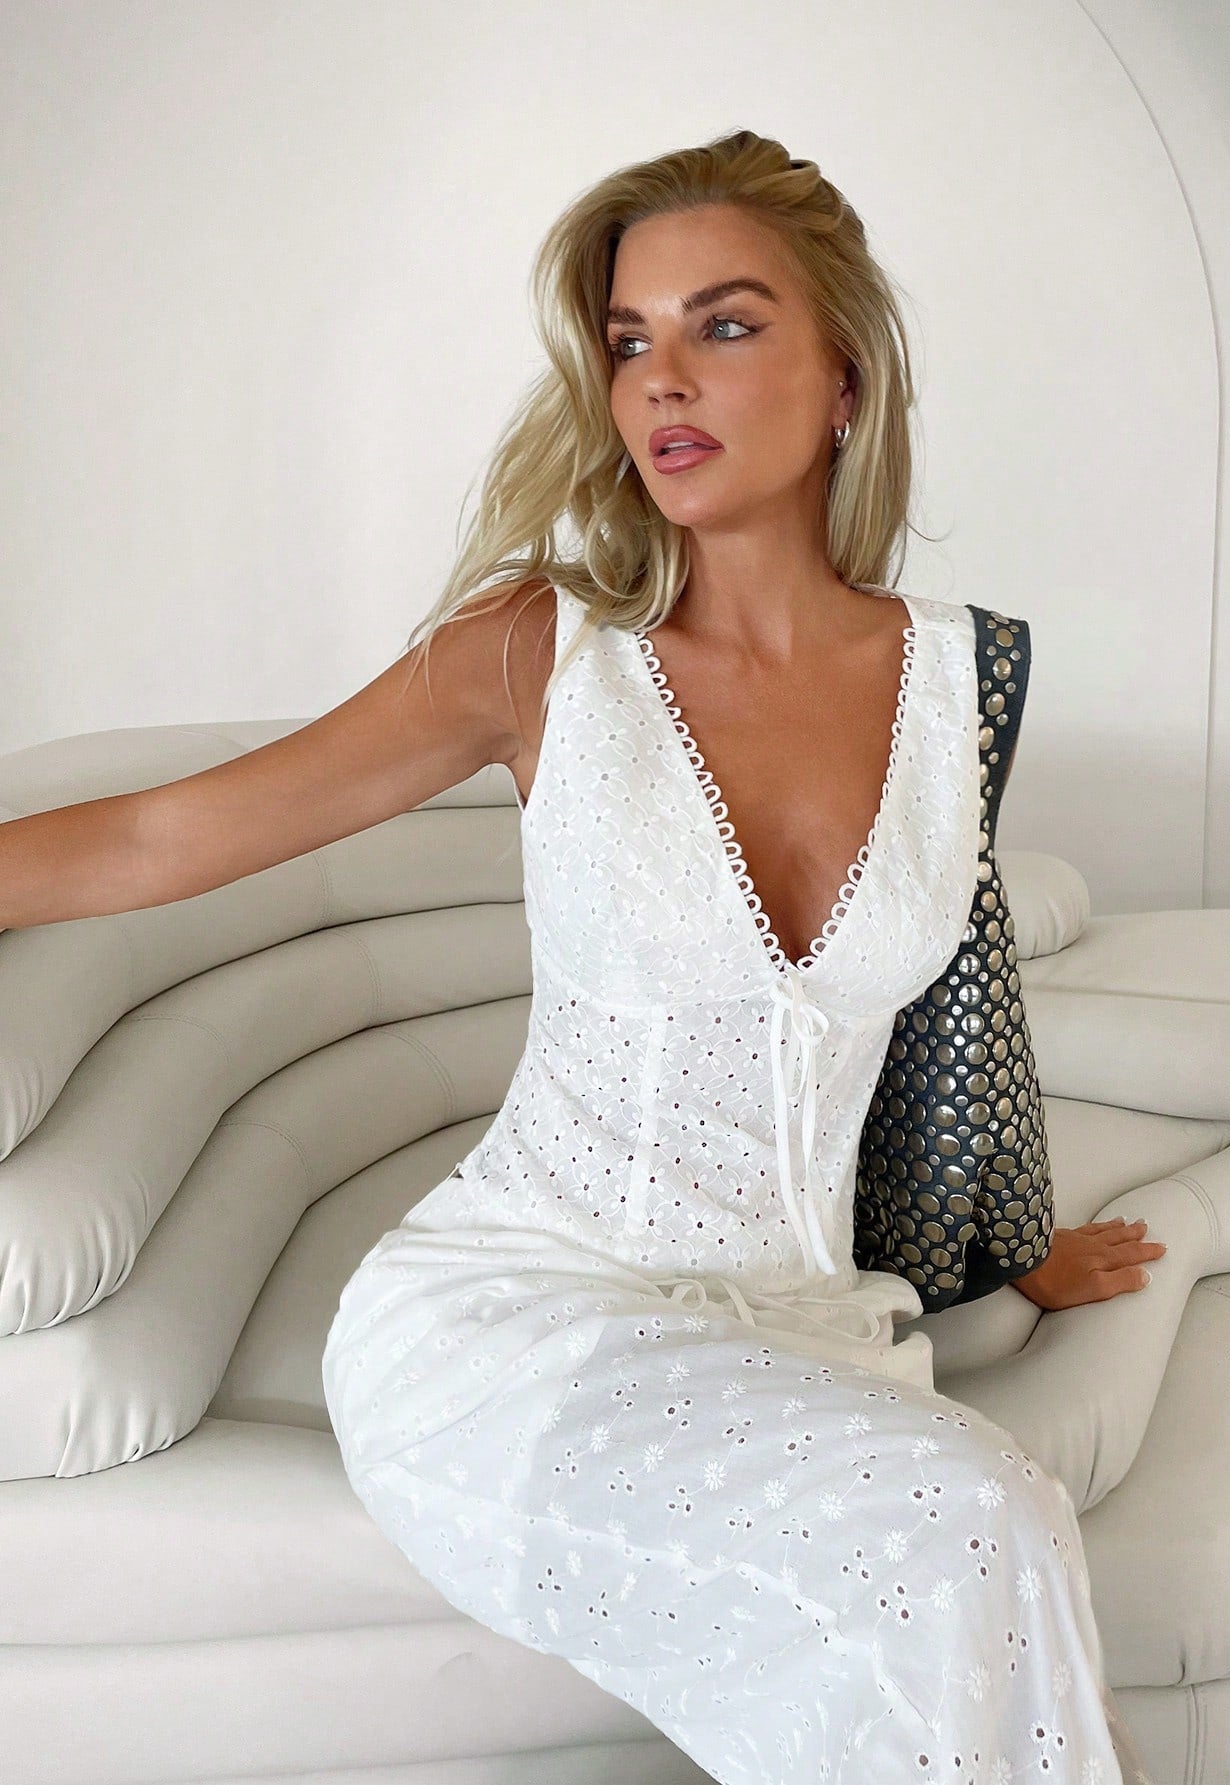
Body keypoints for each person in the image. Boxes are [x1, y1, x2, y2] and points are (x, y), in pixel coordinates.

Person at [1, 127, 1156, 1783]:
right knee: (971, 1521)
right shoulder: (543, 654)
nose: (660, 379)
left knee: (994, 1528)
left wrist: (1012, 1244)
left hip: (797, 1324)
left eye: (726, 324)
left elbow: (945, 1003)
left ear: (846, 372)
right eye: (629, 340)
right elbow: (156, 839)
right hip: (519, 1320)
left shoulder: (960, 677)